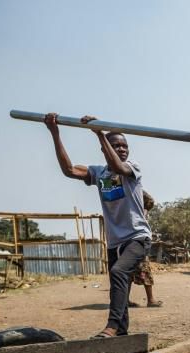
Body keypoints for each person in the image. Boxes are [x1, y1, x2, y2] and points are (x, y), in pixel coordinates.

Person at [44, 113, 151, 338]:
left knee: (119, 271)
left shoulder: (133, 167)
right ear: (105, 149)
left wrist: (100, 134)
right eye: (116, 146)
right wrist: (55, 133)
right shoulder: (99, 173)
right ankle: (121, 329)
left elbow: (118, 167)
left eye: (124, 146)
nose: (122, 149)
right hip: (115, 240)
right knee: (117, 282)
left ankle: (112, 326)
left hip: (137, 237)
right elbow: (69, 170)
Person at [129, 191, 162, 307]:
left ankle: (125, 301)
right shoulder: (138, 206)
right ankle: (150, 300)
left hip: (126, 239)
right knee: (144, 269)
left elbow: (150, 200)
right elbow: (150, 200)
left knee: (128, 272)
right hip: (137, 240)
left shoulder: (130, 201)